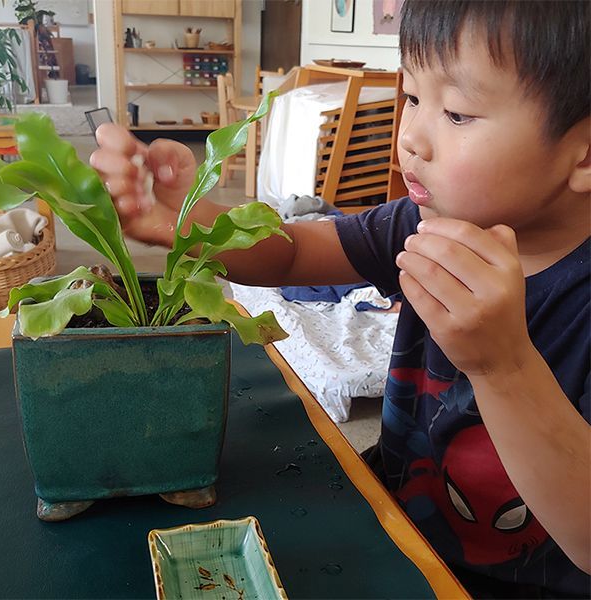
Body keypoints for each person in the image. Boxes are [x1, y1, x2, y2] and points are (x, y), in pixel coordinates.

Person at [90, 0, 590, 596]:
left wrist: (503, 366)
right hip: (397, 525)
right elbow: (294, 253)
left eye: (456, 113)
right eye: (412, 97)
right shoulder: (421, 221)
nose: (412, 138)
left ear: (582, 153)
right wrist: (184, 220)